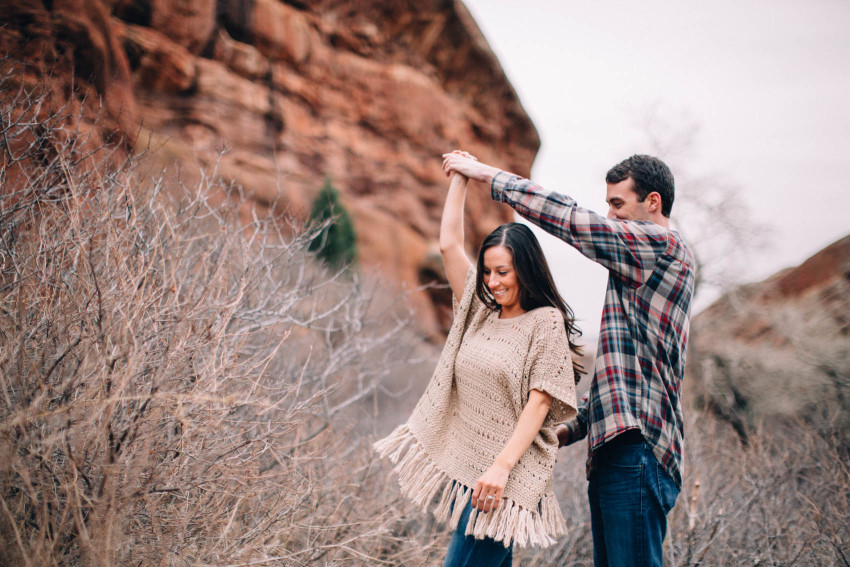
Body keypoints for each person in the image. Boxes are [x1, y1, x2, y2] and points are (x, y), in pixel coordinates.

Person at [441, 152, 695, 567]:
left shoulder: (661, 246)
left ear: (653, 202)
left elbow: (573, 220)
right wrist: (561, 432)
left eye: (617, 205)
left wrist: (487, 176)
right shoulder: (635, 271)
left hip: (640, 450)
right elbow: (625, 383)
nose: (610, 217)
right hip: (617, 450)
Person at [374, 166, 583, 566]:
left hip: (501, 480)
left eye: (502, 272)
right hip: (474, 474)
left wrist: (500, 469)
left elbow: (539, 404)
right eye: (487, 272)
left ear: (526, 268)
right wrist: (460, 178)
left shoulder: (545, 322)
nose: (493, 281)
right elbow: (450, 244)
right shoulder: (480, 312)